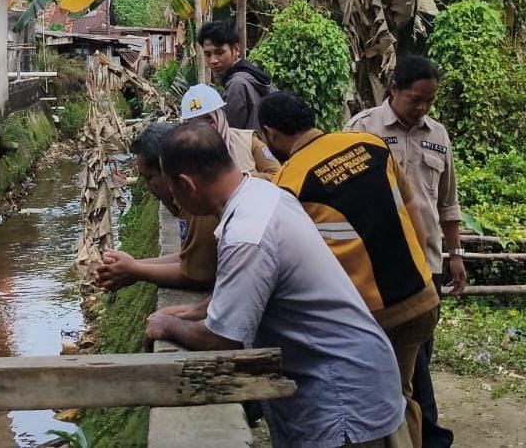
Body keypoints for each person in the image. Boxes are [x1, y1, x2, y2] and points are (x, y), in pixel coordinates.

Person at [143, 122, 411, 448]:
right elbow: (253, 287)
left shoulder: (247, 233)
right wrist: (200, 309)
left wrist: (167, 325)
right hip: (349, 380)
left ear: (185, 184)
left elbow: (221, 339)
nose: (172, 197)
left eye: (172, 188)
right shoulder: (262, 193)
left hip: (340, 396)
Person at [258, 91, 439, 448]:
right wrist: (425, 272)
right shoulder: (369, 145)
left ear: (270, 134)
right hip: (422, 298)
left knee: (386, 408)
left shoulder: (289, 184)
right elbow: (413, 207)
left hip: (372, 317)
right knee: (404, 395)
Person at [346, 56, 464, 448]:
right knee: (396, 354)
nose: (423, 109)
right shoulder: (363, 129)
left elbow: (447, 203)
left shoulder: (439, 135)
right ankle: (425, 433)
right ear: (393, 89)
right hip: (378, 265)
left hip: (426, 261)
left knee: (419, 352)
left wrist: (456, 253)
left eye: (430, 101)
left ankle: (413, 431)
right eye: (416, 99)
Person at [95, 122, 218, 291]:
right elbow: (189, 258)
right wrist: (131, 265)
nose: (148, 186)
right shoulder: (192, 199)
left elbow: (198, 276)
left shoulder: (199, 208)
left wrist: (135, 270)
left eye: (150, 177)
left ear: (169, 171)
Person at [179, 83, 279, 178]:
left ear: (220, 117)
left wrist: (243, 179)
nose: (203, 128)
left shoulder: (248, 141)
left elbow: (277, 174)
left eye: (208, 120)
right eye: (195, 123)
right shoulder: (183, 154)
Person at [197, 20, 275, 131]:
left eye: (219, 53)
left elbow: (229, 132)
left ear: (236, 49)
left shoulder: (237, 84)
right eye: (208, 54)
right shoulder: (253, 74)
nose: (213, 60)